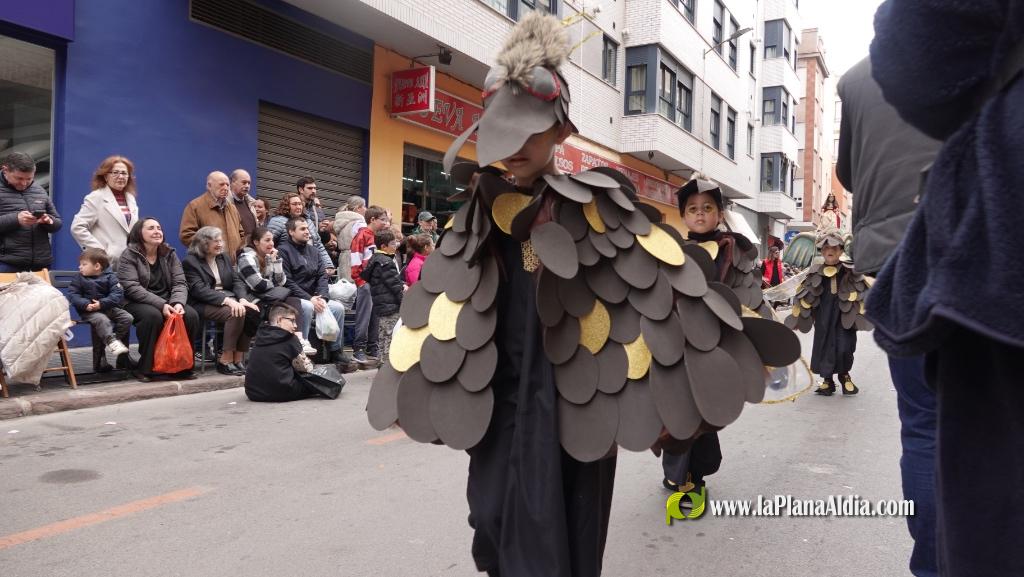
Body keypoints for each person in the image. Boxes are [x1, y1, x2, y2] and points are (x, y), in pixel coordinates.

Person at [366, 14, 799, 576]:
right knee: (491, 519)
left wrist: (727, 343)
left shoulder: (599, 204)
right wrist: (413, 378)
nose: (516, 146)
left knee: (570, 526)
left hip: (579, 396)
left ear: (562, 130)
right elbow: (439, 298)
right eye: (505, 131)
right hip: (499, 399)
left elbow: (665, 287)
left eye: (530, 130)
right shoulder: (476, 210)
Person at [870, 2, 1024, 574]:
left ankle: (930, 564)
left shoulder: (857, 83)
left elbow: (912, 55)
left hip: (971, 249)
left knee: (931, 432)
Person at [835, 55, 941, 577]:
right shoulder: (992, 28)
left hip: (895, 257)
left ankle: (933, 565)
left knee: (923, 425)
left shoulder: (857, 77)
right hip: (981, 238)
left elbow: (847, 172)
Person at [785, 229, 872, 396]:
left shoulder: (850, 271)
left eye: (834, 248)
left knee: (845, 347)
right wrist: (799, 316)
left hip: (844, 317)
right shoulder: (814, 272)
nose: (829, 251)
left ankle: (844, 375)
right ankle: (827, 380)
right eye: (825, 249)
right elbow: (805, 294)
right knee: (824, 346)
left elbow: (863, 290)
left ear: (841, 250)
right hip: (823, 317)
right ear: (821, 251)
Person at [118, 217, 200, 382]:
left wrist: (177, 303)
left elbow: (180, 282)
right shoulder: (129, 255)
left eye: (159, 228)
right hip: (136, 301)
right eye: (151, 228)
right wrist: (162, 304)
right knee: (152, 317)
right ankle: (145, 368)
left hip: (167, 300)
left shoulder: (169, 254)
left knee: (190, 315)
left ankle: (181, 366)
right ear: (139, 233)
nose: (157, 231)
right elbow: (132, 287)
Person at [182, 226, 261, 376]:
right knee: (235, 313)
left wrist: (243, 299)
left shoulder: (223, 257)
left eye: (220, 240)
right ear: (203, 243)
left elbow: (236, 280)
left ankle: (238, 358)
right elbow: (199, 290)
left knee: (252, 310)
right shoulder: (190, 262)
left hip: (228, 299)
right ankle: (225, 359)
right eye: (215, 241)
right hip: (201, 303)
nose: (220, 244)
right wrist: (227, 301)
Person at [277, 216, 350, 369]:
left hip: (315, 296)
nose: (307, 232)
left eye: (307, 228)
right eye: (302, 229)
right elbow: (287, 281)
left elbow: (322, 276)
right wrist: (310, 298)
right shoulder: (283, 251)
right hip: (294, 297)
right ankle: (302, 351)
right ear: (291, 231)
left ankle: (335, 350)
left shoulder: (314, 251)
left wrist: (322, 297)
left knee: (338, 308)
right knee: (308, 307)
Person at [237, 226, 314, 354]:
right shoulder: (246, 257)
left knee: (293, 301)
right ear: (256, 242)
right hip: (253, 299)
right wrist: (273, 284)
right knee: (289, 302)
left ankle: (298, 341)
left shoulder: (268, 257)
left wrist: (276, 262)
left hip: (268, 298)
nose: (271, 243)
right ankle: (297, 343)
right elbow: (257, 285)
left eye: (272, 240)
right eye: (267, 240)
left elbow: (281, 282)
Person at [244, 303, 343, 402]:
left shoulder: (260, 335)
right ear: (279, 320)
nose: (295, 326)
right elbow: (306, 368)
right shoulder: (289, 338)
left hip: (253, 393)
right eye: (292, 321)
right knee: (317, 380)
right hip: (282, 392)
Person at [68, 247, 132, 367]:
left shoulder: (111, 277)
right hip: (90, 311)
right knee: (102, 320)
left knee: (127, 317)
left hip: (107, 307)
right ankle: (111, 341)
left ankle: (112, 340)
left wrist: (102, 303)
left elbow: (117, 294)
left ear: (97, 266)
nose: (79, 267)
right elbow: (73, 295)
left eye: (84, 264)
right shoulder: (79, 278)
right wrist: (86, 304)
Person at [70, 155, 140, 266]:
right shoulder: (96, 197)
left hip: (130, 261)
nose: (120, 176)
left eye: (124, 173)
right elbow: (77, 227)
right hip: (108, 263)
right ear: (105, 176)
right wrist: (101, 252)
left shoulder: (130, 198)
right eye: (115, 172)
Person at [0, 151, 61, 272]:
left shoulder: (39, 190)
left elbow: (58, 223)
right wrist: (16, 219)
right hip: (6, 264)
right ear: (5, 170)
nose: (24, 183)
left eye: (29, 178)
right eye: (19, 178)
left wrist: (48, 221)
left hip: (41, 264)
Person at [349, 205, 389, 366]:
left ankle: (373, 346)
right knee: (364, 316)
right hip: (365, 282)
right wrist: (360, 280)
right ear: (372, 219)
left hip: (376, 283)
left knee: (376, 316)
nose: (385, 223)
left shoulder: (377, 237)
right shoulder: (362, 235)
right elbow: (356, 258)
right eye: (382, 220)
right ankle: (358, 348)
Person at [359, 228, 404, 365]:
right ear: (383, 246)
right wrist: (404, 302)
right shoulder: (386, 262)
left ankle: (382, 363)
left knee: (383, 336)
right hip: (390, 306)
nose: (395, 246)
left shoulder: (375, 259)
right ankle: (388, 366)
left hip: (381, 306)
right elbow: (395, 286)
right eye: (392, 243)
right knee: (391, 336)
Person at [179, 171, 245, 263]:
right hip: (208, 266)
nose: (225, 188)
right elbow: (186, 235)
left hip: (233, 266)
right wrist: (209, 251)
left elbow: (241, 233)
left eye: (227, 185)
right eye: (221, 184)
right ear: (209, 186)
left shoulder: (232, 208)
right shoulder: (195, 206)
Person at [265, 192, 335, 276]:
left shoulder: (308, 222)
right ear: (286, 206)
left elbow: (318, 245)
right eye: (294, 204)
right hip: (287, 268)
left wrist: (328, 264)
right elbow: (268, 244)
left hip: (310, 268)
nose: (298, 207)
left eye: (300, 204)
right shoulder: (278, 221)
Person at [333, 196, 366, 282]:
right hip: (357, 259)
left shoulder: (341, 222)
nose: (366, 209)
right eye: (364, 206)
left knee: (346, 288)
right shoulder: (359, 223)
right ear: (358, 208)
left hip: (343, 258)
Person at [229, 169, 259, 248]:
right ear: (233, 182)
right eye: (244, 182)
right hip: (236, 250)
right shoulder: (226, 203)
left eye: (249, 183)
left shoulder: (251, 203)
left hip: (251, 249)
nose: (247, 186)